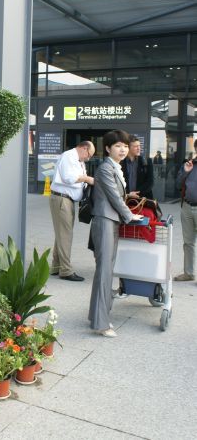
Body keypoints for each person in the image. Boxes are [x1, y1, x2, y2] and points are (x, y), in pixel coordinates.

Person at [88, 130, 143, 338]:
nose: (123, 149)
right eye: (118, 145)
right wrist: (131, 216)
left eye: (125, 146)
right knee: (104, 272)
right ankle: (101, 324)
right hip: (104, 222)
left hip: (110, 221)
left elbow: (117, 195)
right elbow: (114, 198)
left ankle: (96, 316)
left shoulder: (114, 168)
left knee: (106, 271)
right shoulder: (105, 168)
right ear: (108, 148)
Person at [49, 140, 95, 281]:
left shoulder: (77, 159)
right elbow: (68, 178)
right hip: (62, 199)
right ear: (84, 148)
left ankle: (56, 266)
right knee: (65, 234)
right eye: (89, 155)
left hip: (66, 200)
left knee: (62, 234)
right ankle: (66, 271)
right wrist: (88, 179)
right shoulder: (69, 156)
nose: (88, 158)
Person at [174, 139, 197, 281]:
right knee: (188, 242)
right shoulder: (188, 164)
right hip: (187, 207)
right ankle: (189, 273)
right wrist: (185, 172)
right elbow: (177, 184)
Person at [120, 135, 154, 199]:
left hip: (142, 200)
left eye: (139, 146)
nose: (139, 148)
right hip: (124, 199)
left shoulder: (146, 161)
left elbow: (150, 182)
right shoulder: (120, 162)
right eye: (135, 146)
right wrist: (128, 194)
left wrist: (136, 193)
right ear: (128, 148)